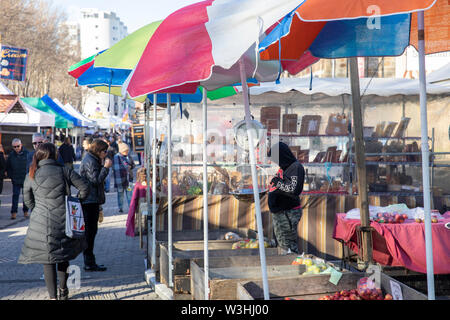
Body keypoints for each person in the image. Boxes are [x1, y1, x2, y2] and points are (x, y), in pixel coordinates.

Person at [18, 143, 89, 300]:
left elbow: (28, 201)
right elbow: (85, 187)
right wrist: (75, 202)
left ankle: (52, 296)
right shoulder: (64, 171)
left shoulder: (31, 174)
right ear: (55, 155)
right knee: (63, 256)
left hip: (40, 222)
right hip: (64, 220)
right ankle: (64, 291)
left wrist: (38, 210)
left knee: (48, 260)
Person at [79, 138, 112, 271]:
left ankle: (90, 261)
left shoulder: (93, 159)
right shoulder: (90, 161)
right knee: (90, 232)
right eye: (104, 151)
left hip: (92, 200)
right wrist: (105, 168)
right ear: (98, 151)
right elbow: (95, 180)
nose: (106, 154)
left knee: (92, 232)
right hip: (88, 201)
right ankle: (89, 262)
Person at [267, 142, 305, 254]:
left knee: (288, 246)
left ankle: (294, 268)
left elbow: (293, 189)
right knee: (283, 244)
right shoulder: (284, 168)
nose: (272, 162)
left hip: (287, 214)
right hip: (281, 213)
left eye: (273, 159)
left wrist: (275, 181)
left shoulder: (295, 167)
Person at [6, 138, 30, 219]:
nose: (16, 148)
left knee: (26, 196)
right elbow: (8, 167)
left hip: (25, 179)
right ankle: (14, 212)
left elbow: (31, 165)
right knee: (15, 196)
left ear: (21, 145)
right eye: (14, 147)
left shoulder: (27, 153)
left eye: (18, 146)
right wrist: (11, 176)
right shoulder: (11, 155)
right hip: (15, 179)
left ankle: (26, 211)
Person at [112, 142, 135, 213]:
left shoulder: (129, 156)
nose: (127, 152)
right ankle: (120, 207)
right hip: (120, 180)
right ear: (121, 150)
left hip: (129, 179)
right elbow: (116, 168)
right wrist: (126, 168)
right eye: (125, 151)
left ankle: (131, 207)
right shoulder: (116, 157)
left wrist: (131, 166)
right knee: (120, 194)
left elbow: (133, 165)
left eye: (127, 150)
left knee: (129, 194)